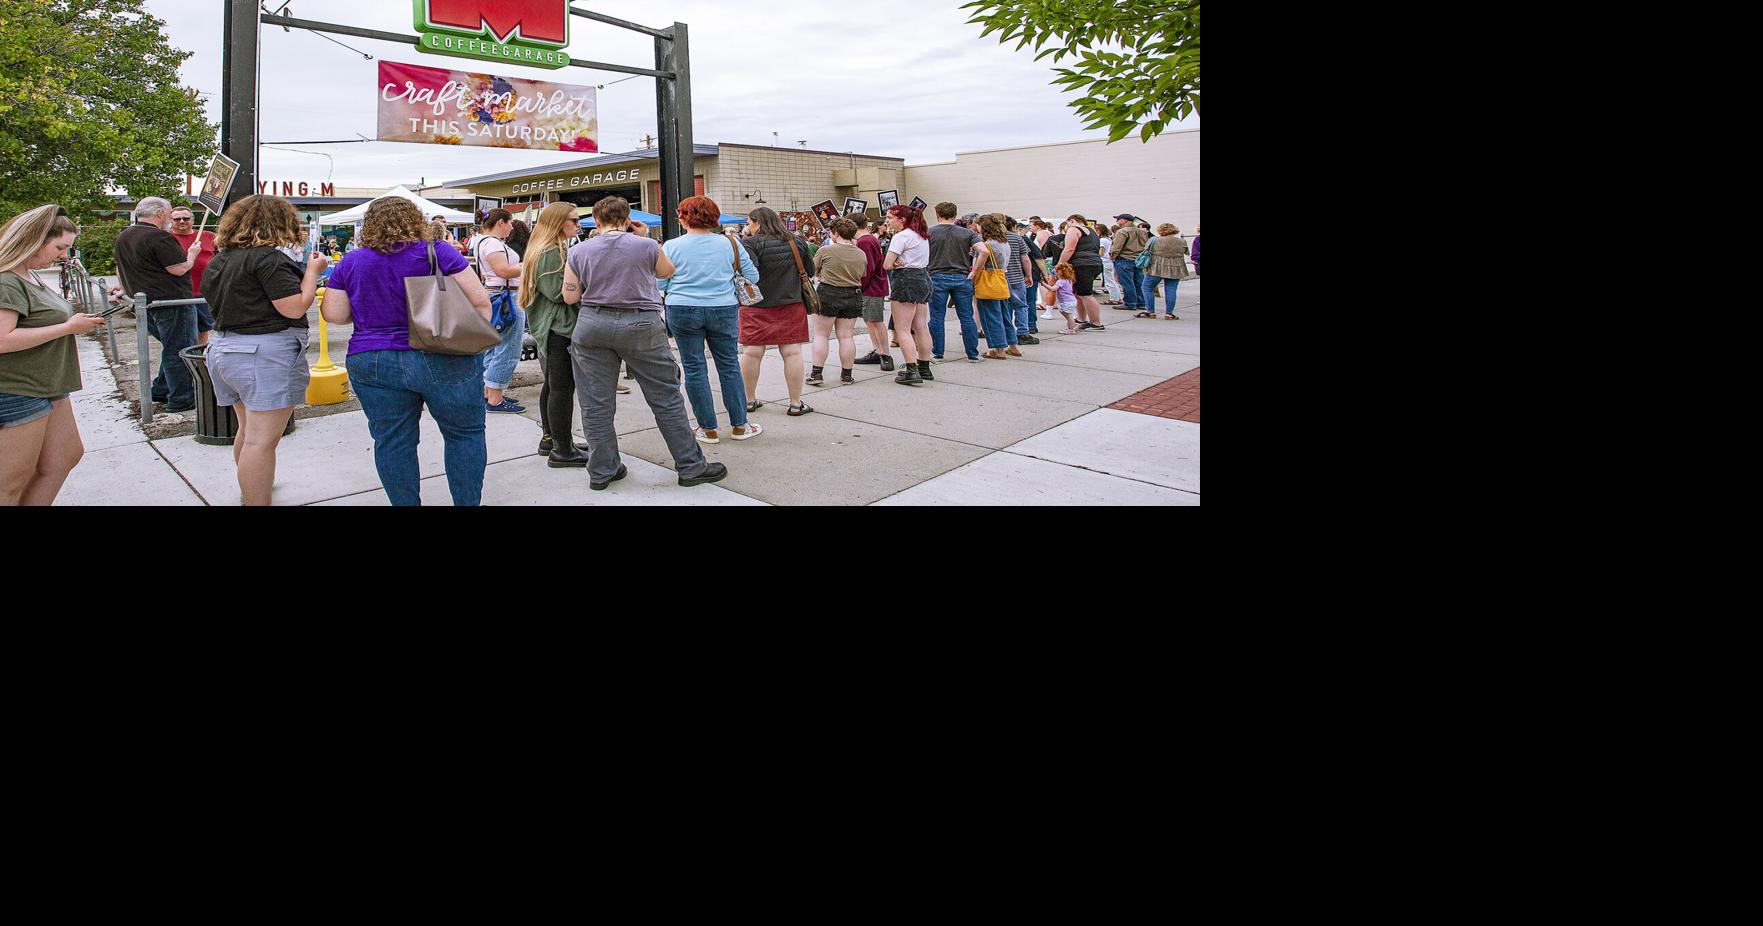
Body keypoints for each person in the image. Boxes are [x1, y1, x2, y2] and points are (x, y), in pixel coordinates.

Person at [323, 197, 492, 506]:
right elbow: (480, 301)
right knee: (464, 434)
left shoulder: (352, 261)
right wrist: (470, 344)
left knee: (392, 440)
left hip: (372, 357)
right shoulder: (438, 253)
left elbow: (334, 314)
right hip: (443, 353)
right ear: (417, 220)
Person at [564, 197, 728, 490]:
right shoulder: (646, 245)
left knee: (595, 403)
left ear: (597, 221)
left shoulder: (578, 250)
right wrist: (642, 238)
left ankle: (603, 470)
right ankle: (691, 466)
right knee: (665, 397)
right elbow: (667, 272)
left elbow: (570, 295)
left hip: (592, 324)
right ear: (627, 219)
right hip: (640, 323)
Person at [200, 196, 328, 506]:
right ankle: (257, 499)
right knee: (261, 440)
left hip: (224, 349)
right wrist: (313, 271)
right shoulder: (268, 259)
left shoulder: (220, 260)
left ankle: (253, 490)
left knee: (248, 431)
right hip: (263, 354)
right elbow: (293, 306)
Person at [0, 205, 106, 506]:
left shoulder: (28, 275)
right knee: (11, 481)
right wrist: (68, 327)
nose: (64, 255)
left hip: (50, 385)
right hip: (19, 390)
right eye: (60, 247)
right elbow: (2, 340)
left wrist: (74, 324)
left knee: (64, 456)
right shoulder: (7, 280)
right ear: (34, 239)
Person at [659, 195, 762, 445]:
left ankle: (707, 428)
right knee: (728, 365)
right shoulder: (730, 244)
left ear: (684, 218)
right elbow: (753, 276)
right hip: (722, 307)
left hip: (682, 307)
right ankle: (740, 424)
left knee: (694, 368)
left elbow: (661, 282)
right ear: (713, 217)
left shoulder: (671, 246)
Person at [110, 196, 203, 412]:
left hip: (145, 304)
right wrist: (191, 255)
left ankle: (160, 389)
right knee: (179, 349)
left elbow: (121, 268)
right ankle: (181, 398)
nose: (171, 219)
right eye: (170, 214)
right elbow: (178, 268)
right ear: (160, 214)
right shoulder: (160, 237)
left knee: (171, 347)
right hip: (172, 302)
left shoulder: (125, 236)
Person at [735, 207, 815, 417]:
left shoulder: (750, 243)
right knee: (792, 353)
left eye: (749, 223)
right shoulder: (796, 242)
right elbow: (810, 271)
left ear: (758, 223)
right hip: (790, 303)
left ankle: (749, 401)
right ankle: (795, 403)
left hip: (755, 306)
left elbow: (748, 273)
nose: (748, 227)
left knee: (752, 352)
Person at [472, 208, 526, 414]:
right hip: (506, 296)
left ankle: (489, 391)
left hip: (496, 295)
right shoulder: (493, 243)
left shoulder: (482, 242)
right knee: (509, 348)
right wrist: (527, 265)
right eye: (510, 222)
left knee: (494, 347)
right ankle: (495, 398)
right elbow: (502, 271)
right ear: (501, 223)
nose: (512, 227)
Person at [809, 217, 866, 386]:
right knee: (846, 336)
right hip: (853, 293)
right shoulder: (860, 253)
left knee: (821, 335)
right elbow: (862, 274)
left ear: (835, 233)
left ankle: (817, 373)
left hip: (828, 292)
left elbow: (812, 270)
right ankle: (847, 374)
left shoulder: (825, 251)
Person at [882, 204, 934, 386]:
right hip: (922, 277)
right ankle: (924, 366)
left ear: (901, 219)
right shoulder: (922, 236)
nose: (887, 221)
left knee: (902, 328)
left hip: (905, 279)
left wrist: (896, 263)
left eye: (890, 218)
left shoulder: (900, 237)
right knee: (921, 326)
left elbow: (887, 264)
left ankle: (911, 369)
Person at [926, 202, 983, 362]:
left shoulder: (930, 232)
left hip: (936, 275)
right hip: (962, 276)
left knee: (937, 316)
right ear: (955, 215)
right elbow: (983, 251)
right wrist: (975, 271)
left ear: (937, 214)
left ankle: (937, 352)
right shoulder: (967, 233)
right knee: (966, 316)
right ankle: (972, 353)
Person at [168, 206, 219, 346]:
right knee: (182, 333)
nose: (182, 221)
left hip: (204, 293)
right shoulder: (166, 239)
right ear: (171, 221)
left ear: (193, 220)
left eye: (186, 218)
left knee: (203, 329)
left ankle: (199, 360)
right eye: (177, 219)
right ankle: (185, 360)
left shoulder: (209, 236)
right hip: (179, 295)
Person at [850, 216, 894, 371]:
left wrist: (860, 286)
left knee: (875, 320)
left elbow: (867, 268)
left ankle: (885, 353)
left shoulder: (865, 241)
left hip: (872, 287)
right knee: (871, 320)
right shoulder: (869, 239)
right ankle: (879, 351)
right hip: (874, 286)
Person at [973, 215, 1019, 361]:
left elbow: (980, 262)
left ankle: (998, 349)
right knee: (1005, 315)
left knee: (990, 316)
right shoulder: (1004, 243)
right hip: (1002, 280)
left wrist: (974, 273)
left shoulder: (986, 244)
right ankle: (1012, 345)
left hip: (989, 281)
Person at [1055, 213, 1106, 331]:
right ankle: (1081, 319)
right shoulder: (1092, 232)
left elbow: (1069, 248)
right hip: (1094, 263)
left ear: (1072, 221)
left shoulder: (1074, 229)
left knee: (1085, 294)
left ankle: (1096, 323)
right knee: (1078, 294)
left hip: (1083, 264)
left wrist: (1060, 264)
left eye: (1067, 224)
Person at [998, 214, 1039, 345]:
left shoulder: (996, 238)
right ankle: (1023, 332)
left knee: (1005, 306)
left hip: (1001, 277)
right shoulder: (1018, 238)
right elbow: (1025, 258)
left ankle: (1006, 332)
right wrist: (1029, 275)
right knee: (1021, 305)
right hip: (1017, 277)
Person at [1139, 223, 1193, 320]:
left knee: (1147, 288)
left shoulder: (1154, 240)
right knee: (1171, 290)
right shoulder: (1182, 241)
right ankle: (1169, 313)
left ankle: (1150, 311)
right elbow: (1186, 253)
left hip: (1156, 267)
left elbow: (1146, 250)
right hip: (1175, 267)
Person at [1108, 213, 1150, 315]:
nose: (1117, 222)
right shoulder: (1142, 232)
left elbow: (1117, 247)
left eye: (1118, 219)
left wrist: (1112, 257)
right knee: (1138, 282)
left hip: (1124, 258)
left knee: (1127, 282)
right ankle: (1141, 302)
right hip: (1138, 260)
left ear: (1124, 220)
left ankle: (1130, 303)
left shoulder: (1122, 232)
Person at [1040, 263, 1081, 335]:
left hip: (1067, 301)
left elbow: (1052, 289)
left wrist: (1043, 284)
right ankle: (1070, 326)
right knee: (1065, 312)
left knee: (1069, 316)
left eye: (1055, 271)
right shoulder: (1069, 280)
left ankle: (1071, 329)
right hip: (1071, 300)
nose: (1053, 272)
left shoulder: (1060, 281)